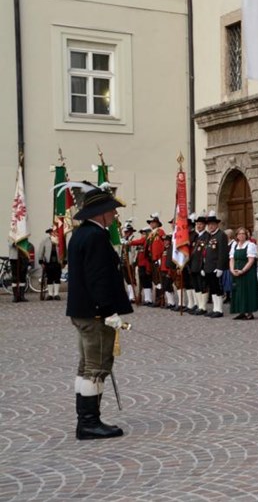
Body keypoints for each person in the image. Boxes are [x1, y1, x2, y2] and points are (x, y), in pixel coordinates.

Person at [66, 186, 132, 440]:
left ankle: (87, 420)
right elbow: (98, 278)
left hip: (83, 311)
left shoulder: (81, 234)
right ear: (102, 212)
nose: (115, 214)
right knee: (97, 366)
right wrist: (108, 311)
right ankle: (89, 423)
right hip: (95, 313)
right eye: (112, 209)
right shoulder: (95, 236)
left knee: (86, 366)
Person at [201, 212, 229, 318]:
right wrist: (203, 267)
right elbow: (205, 252)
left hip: (216, 267)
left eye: (212, 224)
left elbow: (222, 252)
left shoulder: (221, 235)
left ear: (217, 224)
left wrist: (220, 267)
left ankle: (219, 310)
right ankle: (214, 308)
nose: (210, 226)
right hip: (208, 267)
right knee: (212, 288)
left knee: (217, 288)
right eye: (209, 225)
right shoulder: (209, 236)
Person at [228, 227, 258, 320]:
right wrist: (232, 270)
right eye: (239, 234)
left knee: (247, 291)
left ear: (246, 235)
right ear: (236, 236)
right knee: (238, 291)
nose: (241, 235)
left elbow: (251, 260)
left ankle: (249, 313)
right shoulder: (235, 245)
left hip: (247, 272)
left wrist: (243, 270)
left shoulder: (250, 245)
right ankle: (241, 311)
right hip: (236, 270)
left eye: (243, 234)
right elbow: (231, 259)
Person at [39, 227, 63, 301]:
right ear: (49, 233)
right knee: (49, 278)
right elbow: (41, 251)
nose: (52, 233)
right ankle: (50, 294)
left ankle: (56, 294)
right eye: (51, 232)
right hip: (48, 263)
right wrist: (41, 261)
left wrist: (64, 261)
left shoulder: (60, 240)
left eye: (53, 232)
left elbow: (64, 251)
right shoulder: (45, 241)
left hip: (57, 262)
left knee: (57, 278)